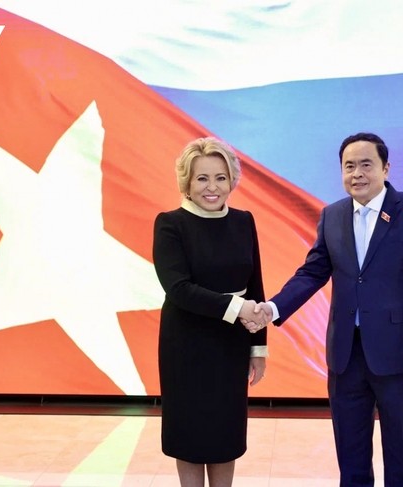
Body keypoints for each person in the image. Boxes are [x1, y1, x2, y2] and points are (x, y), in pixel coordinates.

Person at [248, 132, 403, 486]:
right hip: (345, 357)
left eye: (366, 165)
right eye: (349, 166)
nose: (357, 173)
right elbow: (312, 273)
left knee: (401, 459)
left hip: (400, 358)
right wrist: (273, 308)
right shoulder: (333, 215)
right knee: (351, 461)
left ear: (386, 168)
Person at [152, 136, 269, 487]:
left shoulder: (244, 221)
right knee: (189, 436)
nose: (212, 187)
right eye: (202, 178)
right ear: (186, 182)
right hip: (186, 344)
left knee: (225, 435)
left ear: (232, 179)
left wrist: (258, 347)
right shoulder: (170, 223)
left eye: (220, 177)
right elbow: (178, 288)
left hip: (231, 344)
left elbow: (255, 285)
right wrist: (238, 307)